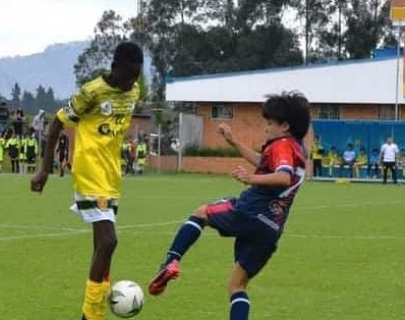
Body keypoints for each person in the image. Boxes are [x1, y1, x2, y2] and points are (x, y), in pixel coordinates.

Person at [146, 92, 310, 320]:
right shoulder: (297, 148)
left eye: (270, 123)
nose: (266, 128)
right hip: (271, 228)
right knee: (237, 286)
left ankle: (170, 261)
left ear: (285, 126)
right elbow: (264, 164)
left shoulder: (281, 145)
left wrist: (250, 179)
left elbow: (282, 176)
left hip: (250, 211)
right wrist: (233, 141)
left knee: (200, 213)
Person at [30, 42, 143, 320]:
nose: (131, 83)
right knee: (108, 242)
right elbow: (55, 124)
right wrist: (45, 169)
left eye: (136, 77)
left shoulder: (134, 91)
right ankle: (91, 314)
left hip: (112, 176)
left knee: (101, 248)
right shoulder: (91, 92)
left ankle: (95, 309)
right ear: (115, 68)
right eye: (127, 76)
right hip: (89, 172)